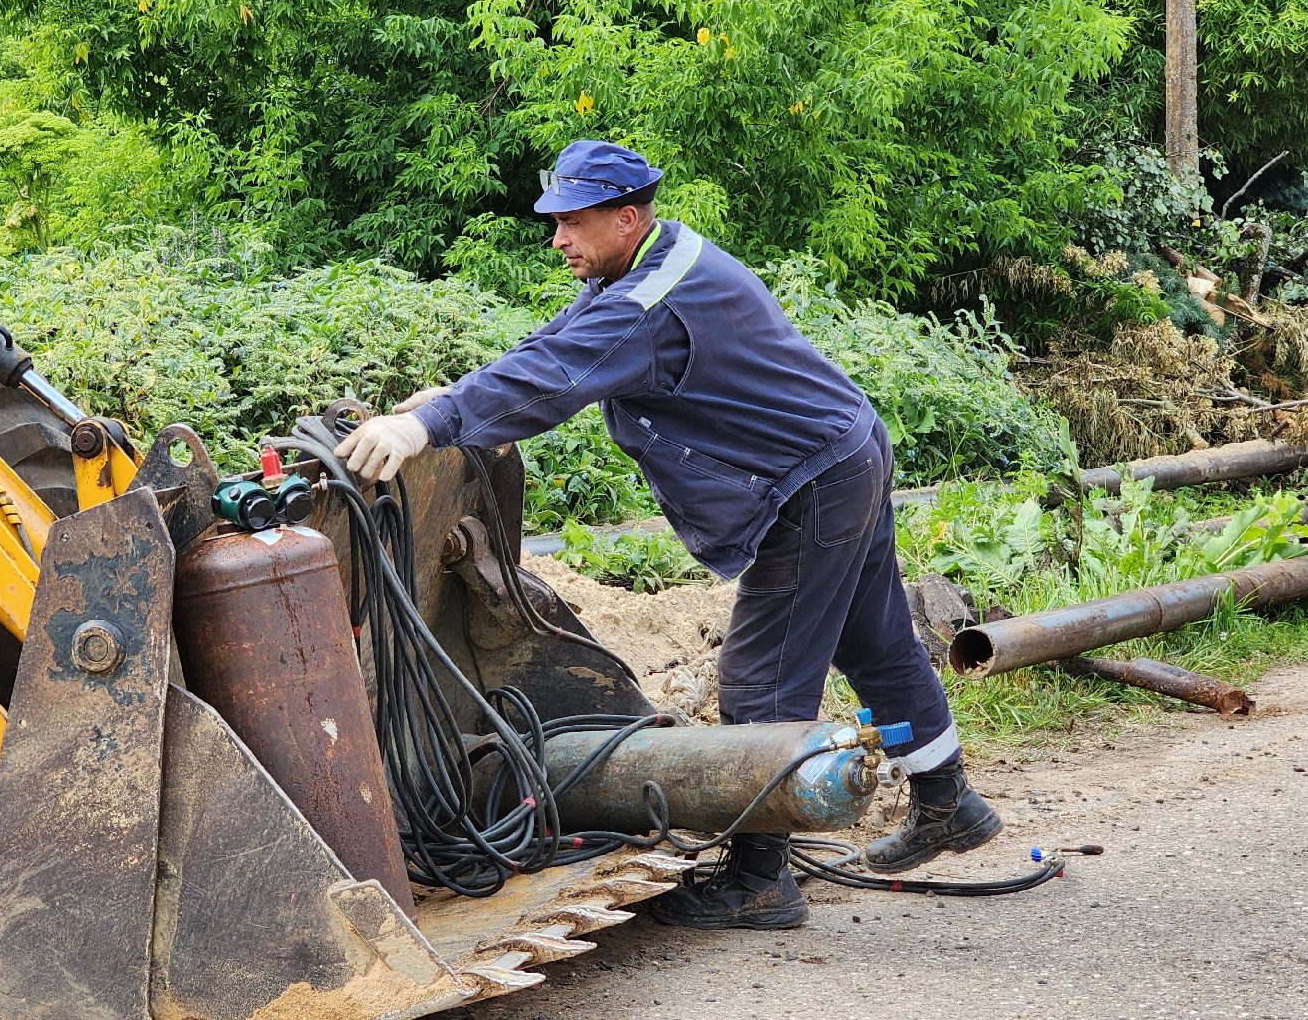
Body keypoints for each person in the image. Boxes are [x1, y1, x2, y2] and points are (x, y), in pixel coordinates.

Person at [337, 140, 1002, 930]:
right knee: (875, 639)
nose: (557, 239)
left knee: (761, 677)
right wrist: (451, 398)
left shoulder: (647, 300)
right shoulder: (650, 259)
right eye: (554, 223)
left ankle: (760, 880)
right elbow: (557, 343)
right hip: (841, 449)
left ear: (626, 217)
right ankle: (948, 801)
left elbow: (560, 374)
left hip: (811, 482)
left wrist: (432, 424)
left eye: (572, 222)